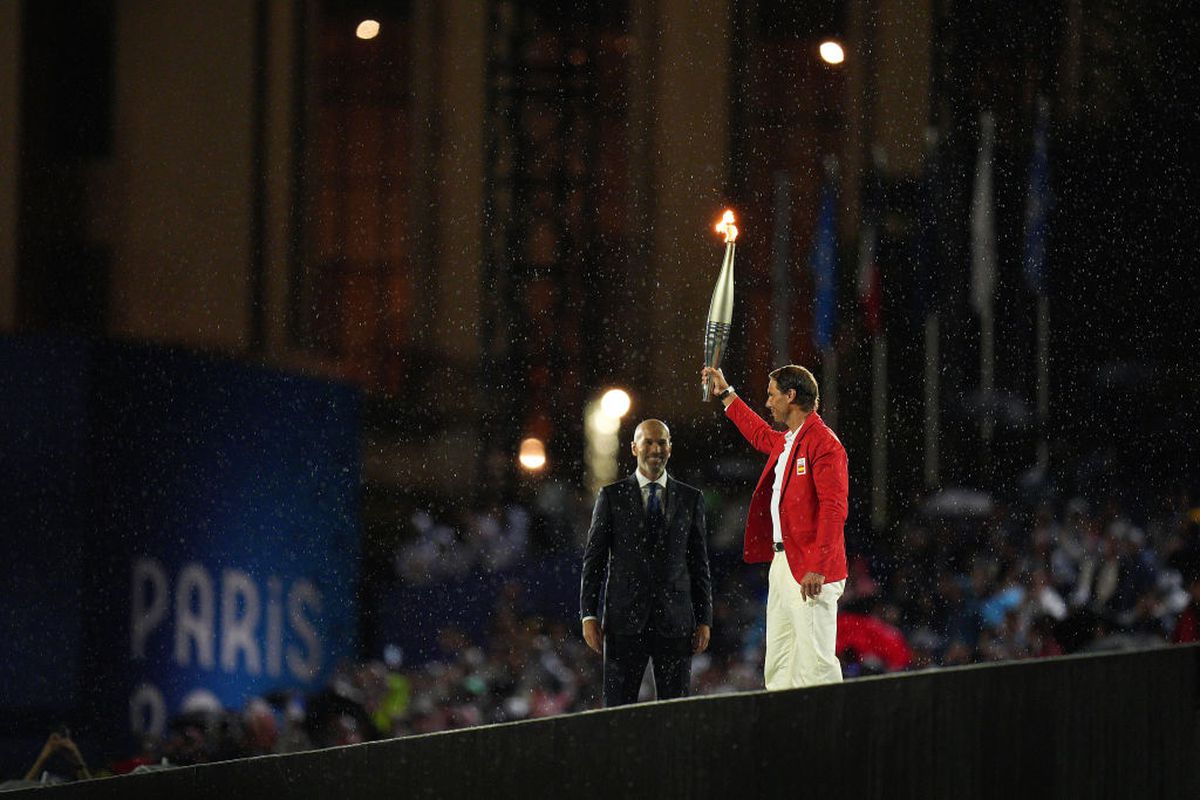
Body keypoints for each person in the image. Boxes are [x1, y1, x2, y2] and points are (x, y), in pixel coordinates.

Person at [702, 364, 848, 689]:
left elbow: (834, 509)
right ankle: (785, 734)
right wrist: (726, 393)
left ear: (791, 395)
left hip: (812, 567)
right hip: (783, 563)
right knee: (779, 664)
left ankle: (835, 736)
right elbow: (757, 433)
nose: (767, 403)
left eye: (771, 395)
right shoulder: (789, 442)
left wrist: (818, 566)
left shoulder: (824, 443)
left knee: (816, 664)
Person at [580, 419, 713, 706]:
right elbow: (595, 560)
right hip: (623, 621)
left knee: (675, 712)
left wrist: (704, 619)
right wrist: (588, 614)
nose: (656, 449)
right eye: (648, 442)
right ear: (634, 447)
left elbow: (699, 564)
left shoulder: (691, 498)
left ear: (670, 448)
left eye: (662, 442)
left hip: (675, 622)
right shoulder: (611, 496)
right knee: (618, 712)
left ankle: (672, 753)